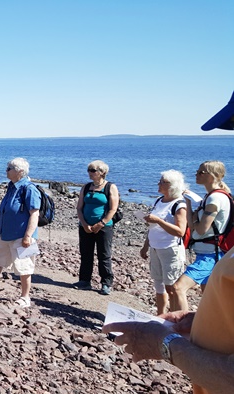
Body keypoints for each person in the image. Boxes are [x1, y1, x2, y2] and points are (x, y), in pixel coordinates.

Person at [102, 90, 234, 394]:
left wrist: (166, 344)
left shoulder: (209, 199)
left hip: (204, 252)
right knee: (178, 288)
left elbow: (196, 228)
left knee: (177, 286)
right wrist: (200, 322)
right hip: (190, 253)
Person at [0, 158, 40, 308]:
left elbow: (34, 214)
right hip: (5, 233)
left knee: (24, 266)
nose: (6, 170)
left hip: (22, 235)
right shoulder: (11, 186)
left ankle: (25, 297)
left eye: (9, 168)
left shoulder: (29, 188)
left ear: (19, 171)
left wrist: (28, 236)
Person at [172, 161, 231, 311]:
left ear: (211, 176)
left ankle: (183, 326)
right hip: (209, 253)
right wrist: (189, 203)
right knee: (208, 297)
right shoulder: (210, 196)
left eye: (200, 173)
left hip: (210, 255)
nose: (196, 175)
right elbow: (194, 227)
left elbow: (201, 229)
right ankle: (209, 328)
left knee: (178, 288)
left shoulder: (214, 199)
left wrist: (195, 218)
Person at [139, 170, 188, 314]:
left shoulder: (179, 205)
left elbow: (180, 231)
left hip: (170, 249)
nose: (158, 184)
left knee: (172, 288)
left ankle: (174, 320)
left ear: (172, 185)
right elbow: (153, 227)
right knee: (158, 286)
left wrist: (159, 221)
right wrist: (145, 246)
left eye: (162, 182)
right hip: (155, 248)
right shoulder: (159, 200)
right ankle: (160, 317)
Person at [75, 160, 119, 295]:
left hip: (104, 227)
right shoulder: (86, 187)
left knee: (104, 255)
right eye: (89, 170)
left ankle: (106, 283)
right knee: (86, 254)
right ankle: (84, 280)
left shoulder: (110, 187)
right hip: (85, 226)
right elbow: (79, 207)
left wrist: (101, 223)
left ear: (102, 172)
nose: (90, 173)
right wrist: (84, 223)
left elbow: (113, 208)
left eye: (93, 170)